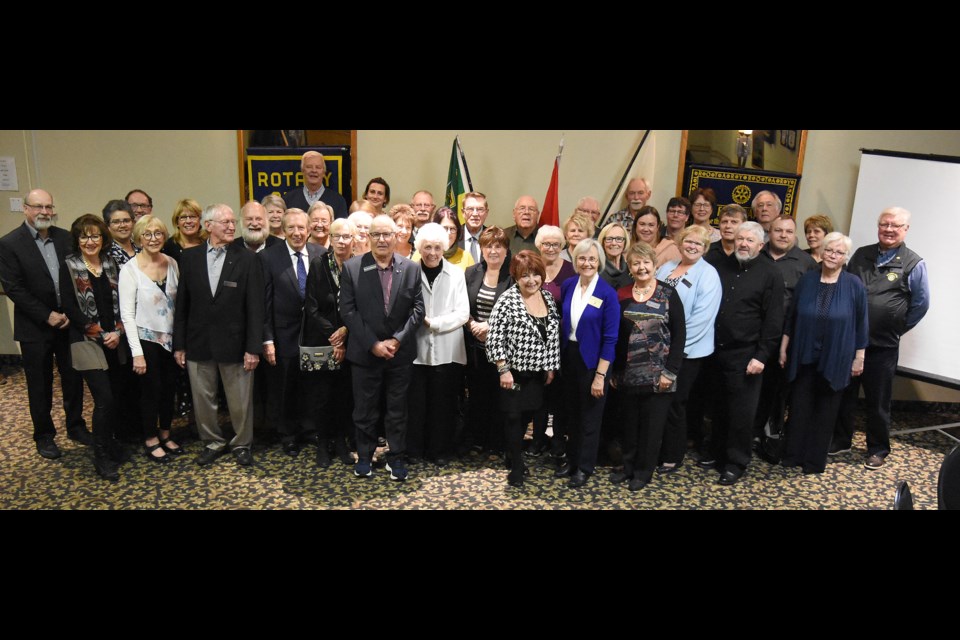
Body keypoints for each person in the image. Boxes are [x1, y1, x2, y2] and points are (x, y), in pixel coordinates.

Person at [831, 207, 930, 469]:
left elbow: (920, 305)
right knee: (844, 395)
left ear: (905, 229)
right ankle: (841, 439)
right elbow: (846, 290)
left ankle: (877, 448)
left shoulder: (914, 263)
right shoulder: (862, 254)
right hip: (851, 343)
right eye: (884, 223)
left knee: (878, 401)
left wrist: (895, 327)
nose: (888, 229)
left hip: (882, 346)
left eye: (895, 225)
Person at [0, 188, 89, 459]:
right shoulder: (9, 243)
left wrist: (71, 314)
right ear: (26, 209)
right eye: (38, 207)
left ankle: (75, 426)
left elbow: (78, 276)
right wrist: (47, 315)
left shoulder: (65, 238)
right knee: (40, 383)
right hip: (35, 326)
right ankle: (44, 435)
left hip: (68, 322)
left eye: (48, 207)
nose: (44, 212)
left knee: (73, 379)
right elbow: (14, 288)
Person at [173, 204, 264, 467]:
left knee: (240, 401)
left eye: (233, 222)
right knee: (203, 399)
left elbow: (255, 308)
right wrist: (179, 344)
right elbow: (182, 305)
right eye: (224, 222)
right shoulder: (189, 258)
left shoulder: (247, 258)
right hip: (198, 342)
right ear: (208, 225)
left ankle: (241, 444)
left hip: (236, 344)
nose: (231, 226)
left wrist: (253, 347)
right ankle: (212, 441)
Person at [339, 215, 424, 481]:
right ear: (368, 237)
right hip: (365, 354)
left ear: (396, 236)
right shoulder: (352, 268)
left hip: (400, 355)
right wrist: (373, 344)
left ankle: (395, 457)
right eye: (376, 234)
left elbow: (418, 309)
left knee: (397, 410)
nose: (382, 239)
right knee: (364, 409)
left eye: (387, 234)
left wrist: (397, 340)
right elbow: (348, 311)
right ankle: (365, 456)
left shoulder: (411, 268)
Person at [780, 233, 867, 474]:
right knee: (799, 407)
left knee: (826, 411)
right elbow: (792, 318)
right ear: (822, 252)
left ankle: (814, 461)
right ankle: (792, 454)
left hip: (837, 358)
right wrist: (784, 347)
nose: (833, 255)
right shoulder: (807, 280)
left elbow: (862, 324)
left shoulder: (854, 285)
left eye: (839, 252)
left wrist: (859, 357)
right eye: (829, 250)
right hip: (803, 353)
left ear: (845, 257)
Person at [709, 221, 784, 485]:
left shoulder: (771, 273)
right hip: (716, 351)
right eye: (740, 238)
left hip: (747, 354)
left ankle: (736, 462)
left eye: (750, 240)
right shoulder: (721, 266)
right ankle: (718, 454)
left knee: (741, 414)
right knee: (718, 407)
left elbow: (774, 320)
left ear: (761, 245)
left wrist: (761, 356)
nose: (743, 243)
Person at [59, 214, 129, 481]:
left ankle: (110, 442)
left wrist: (118, 331)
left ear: (103, 238)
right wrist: (100, 333)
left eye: (95, 236)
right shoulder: (70, 266)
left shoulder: (111, 264)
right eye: (85, 236)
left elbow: (124, 300)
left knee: (117, 397)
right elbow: (69, 306)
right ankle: (100, 454)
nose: (90, 241)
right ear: (77, 240)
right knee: (104, 400)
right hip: (87, 341)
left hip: (115, 339)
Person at [611, 241, 686, 491]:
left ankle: (644, 473)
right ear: (630, 267)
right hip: (628, 375)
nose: (641, 267)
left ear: (655, 265)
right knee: (629, 426)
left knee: (651, 429)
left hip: (659, 376)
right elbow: (616, 336)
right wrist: (614, 371)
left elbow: (679, 335)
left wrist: (671, 371)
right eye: (636, 263)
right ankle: (629, 467)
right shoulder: (621, 294)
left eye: (646, 262)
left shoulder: (668, 294)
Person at [486, 251, 561, 487]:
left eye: (536, 274)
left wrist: (550, 367)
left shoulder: (547, 298)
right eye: (525, 275)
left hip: (537, 373)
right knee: (513, 417)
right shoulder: (507, 300)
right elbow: (494, 339)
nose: (531, 280)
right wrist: (503, 370)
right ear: (516, 277)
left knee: (528, 414)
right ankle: (516, 466)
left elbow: (552, 336)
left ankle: (512, 453)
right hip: (513, 373)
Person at [655, 225, 722, 473]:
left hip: (687, 352)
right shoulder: (666, 267)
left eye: (698, 244)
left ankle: (673, 455)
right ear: (680, 243)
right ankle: (657, 449)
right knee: (659, 402)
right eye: (688, 242)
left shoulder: (709, 274)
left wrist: (673, 349)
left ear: (705, 248)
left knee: (675, 403)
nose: (692, 247)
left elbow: (701, 319)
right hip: (659, 347)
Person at [261, 209, 326, 462]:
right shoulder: (268, 257)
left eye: (301, 228)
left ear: (309, 229)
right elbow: (264, 302)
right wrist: (267, 339)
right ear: (283, 230)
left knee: (312, 386)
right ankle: (288, 435)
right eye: (292, 228)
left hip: (315, 336)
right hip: (283, 335)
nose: (297, 233)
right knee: (286, 388)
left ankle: (309, 429)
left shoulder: (321, 254)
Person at [119, 215, 182, 464]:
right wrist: (137, 352)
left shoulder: (172, 263)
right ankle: (150, 438)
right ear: (138, 238)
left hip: (172, 340)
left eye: (158, 233)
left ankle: (166, 434)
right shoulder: (130, 269)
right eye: (147, 234)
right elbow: (127, 314)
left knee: (170, 389)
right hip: (146, 340)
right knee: (150, 392)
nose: (153, 238)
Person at [558, 239, 620, 488]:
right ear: (576, 261)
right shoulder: (569, 285)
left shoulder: (607, 292)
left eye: (592, 259)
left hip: (595, 363)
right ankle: (572, 461)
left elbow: (610, 338)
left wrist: (600, 376)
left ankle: (585, 466)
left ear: (599, 262)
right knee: (572, 414)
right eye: (582, 258)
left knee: (590, 419)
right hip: (570, 357)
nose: (587, 263)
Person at [407, 223, 470, 465]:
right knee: (416, 405)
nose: (432, 253)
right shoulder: (410, 271)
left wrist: (433, 323)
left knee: (443, 406)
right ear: (419, 248)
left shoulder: (456, 274)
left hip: (448, 351)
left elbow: (462, 313)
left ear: (444, 248)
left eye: (437, 247)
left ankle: (440, 452)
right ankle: (415, 451)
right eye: (427, 247)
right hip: (416, 352)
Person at [755, 215, 818, 445]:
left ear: (794, 235)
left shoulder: (806, 263)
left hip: (785, 339)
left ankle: (771, 436)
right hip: (753, 336)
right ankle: (751, 431)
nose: (783, 235)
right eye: (778, 230)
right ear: (769, 232)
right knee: (752, 388)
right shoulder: (756, 254)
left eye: (788, 232)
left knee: (778, 390)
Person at [303, 219, 356, 466]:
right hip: (323, 342)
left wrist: (345, 331)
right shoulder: (318, 264)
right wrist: (334, 334)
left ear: (354, 239)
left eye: (346, 236)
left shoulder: (360, 265)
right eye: (337, 237)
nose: (342, 241)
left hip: (353, 341)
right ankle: (323, 444)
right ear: (330, 239)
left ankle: (342, 442)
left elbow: (364, 306)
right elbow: (311, 306)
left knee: (345, 397)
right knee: (322, 397)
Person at [462, 227, 513, 456]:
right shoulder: (471, 273)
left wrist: (490, 326)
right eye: (488, 246)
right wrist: (472, 323)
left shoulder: (513, 276)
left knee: (501, 397)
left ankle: (498, 443)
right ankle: (478, 440)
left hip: (504, 350)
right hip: (475, 348)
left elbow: (516, 312)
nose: (493, 250)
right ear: (481, 249)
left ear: (506, 250)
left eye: (498, 246)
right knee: (477, 395)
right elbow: (462, 305)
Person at [532, 225, 576, 457]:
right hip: (533, 342)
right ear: (538, 245)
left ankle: (558, 441)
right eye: (546, 244)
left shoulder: (571, 271)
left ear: (562, 246)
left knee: (558, 395)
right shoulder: (531, 267)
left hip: (561, 342)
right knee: (538, 394)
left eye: (556, 244)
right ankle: (537, 439)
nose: (550, 248)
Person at [282, 151, 348, 220]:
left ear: (324, 172)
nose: (314, 170)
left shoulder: (338, 201)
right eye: (309, 167)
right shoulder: (288, 200)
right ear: (302, 170)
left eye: (318, 167)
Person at [163, 198, 206, 262]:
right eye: (183, 217)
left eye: (193, 216)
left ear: (200, 220)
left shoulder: (208, 243)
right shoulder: (168, 247)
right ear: (177, 222)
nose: (188, 221)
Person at [103, 200, 140, 266]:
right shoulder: (105, 253)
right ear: (107, 226)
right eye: (116, 222)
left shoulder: (142, 249)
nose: (122, 225)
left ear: (133, 223)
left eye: (126, 221)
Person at [597, 222, 632, 290]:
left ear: (625, 242)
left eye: (619, 239)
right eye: (609, 239)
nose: (613, 243)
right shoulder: (595, 268)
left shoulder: (630, 270)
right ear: (603, 242)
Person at [460, 192, 490, 263]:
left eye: (480, 209)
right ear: (463, 213)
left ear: (486, 213)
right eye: (470, 209)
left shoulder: (494, 238)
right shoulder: (453, 237)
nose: (475, 214)